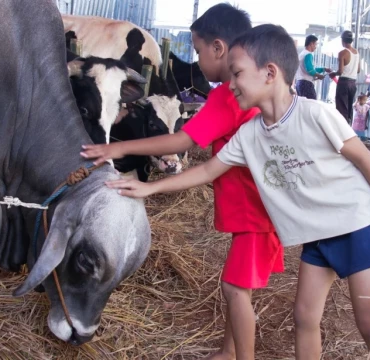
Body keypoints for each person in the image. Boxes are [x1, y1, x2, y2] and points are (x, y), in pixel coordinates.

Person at [104, 24, 370, 360]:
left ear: (269, 73)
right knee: (304, 318)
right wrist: (149, 187)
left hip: (357, 224)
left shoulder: (316, 114)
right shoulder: (250, 134)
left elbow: (364, 157)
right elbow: (207, 169)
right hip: (317, 237)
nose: (229, 83)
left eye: (237, 74)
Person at [81, 4, 284, 360]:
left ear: (218, 48)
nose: (197, 59)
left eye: (197, 50)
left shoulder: (227, 95)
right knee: (238, 289)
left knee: (235, 290)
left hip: (254, 215)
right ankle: (227, 352)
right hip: (256, 211)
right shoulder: (243, 92)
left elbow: (184, 141)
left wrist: (118, 146)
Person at [329, 30, 360, 124]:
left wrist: (333, 73)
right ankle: (349, 128)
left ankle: (342, 131)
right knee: (349, 108)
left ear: (343, 40)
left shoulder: (342, 53)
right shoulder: (356, 52)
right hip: (353, 83)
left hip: (344, 83)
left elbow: (340, 71)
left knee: (342, 108)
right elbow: (358, 70)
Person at [294, 35, 331, 100]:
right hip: (306, 84)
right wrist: (319, 75)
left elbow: (310, 69)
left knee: (303, 106)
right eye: (315, 44)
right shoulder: (308, 54)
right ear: (311, 44)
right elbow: (310, 70)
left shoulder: (302, 54)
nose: (315, 47)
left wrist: (323, 69)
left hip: (299, 83)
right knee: (312, 104)